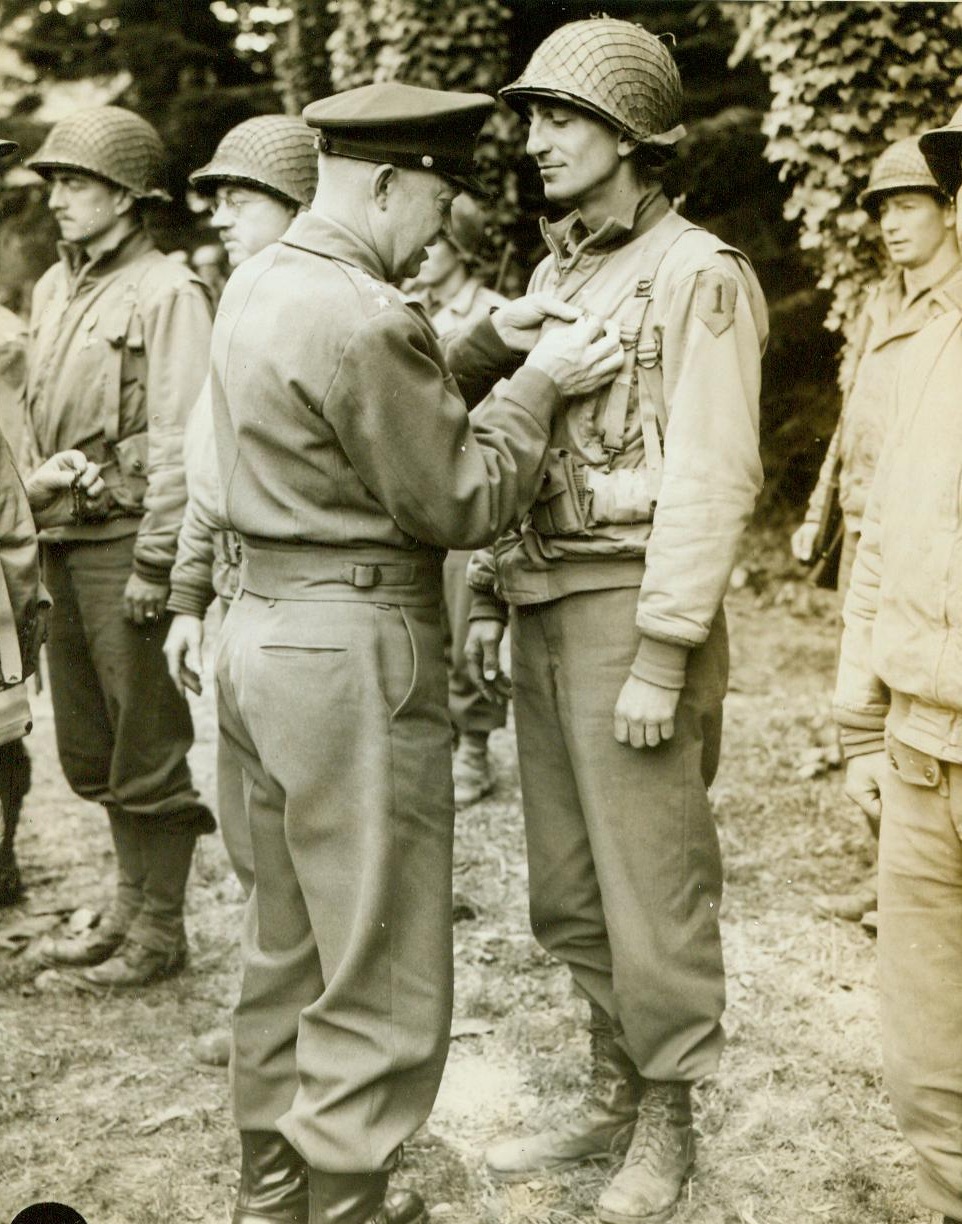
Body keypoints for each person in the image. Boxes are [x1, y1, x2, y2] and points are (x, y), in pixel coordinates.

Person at [211, 80, 623, 1224]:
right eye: (432, 206)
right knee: (377, 949)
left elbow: (353, 405)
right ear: (386, 181)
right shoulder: (364, 314)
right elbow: (460, 493)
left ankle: (273, 1189)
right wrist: (537, 386)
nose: (436, 234)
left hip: (262, 630)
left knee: (286, 932)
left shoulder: (262, 280)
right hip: (350, 648)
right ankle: (343, 1198)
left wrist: (486, 342)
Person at [464, 19, 768, 1222]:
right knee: (568, 885)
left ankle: (667, 1116)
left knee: (652, 885)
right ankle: (608, 1085)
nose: (535, 140)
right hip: (543, 603)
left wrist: (660, 652)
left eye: (560, 118)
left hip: (627, 615)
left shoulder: (697, 272)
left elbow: (711, 476)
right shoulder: (557, 273)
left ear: (634, 136)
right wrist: (494, 590)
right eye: (531, 118)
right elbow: (523, 443)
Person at [22, 106, 216, 988]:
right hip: (60, 540)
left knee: (146, 745)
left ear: (130, 198)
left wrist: (159, 566)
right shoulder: (53, 289)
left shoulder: (168, 290)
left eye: (76, 183)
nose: (57, 198)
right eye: (53, 182)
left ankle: (159, 931)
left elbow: (184, 435)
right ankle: (127, 907)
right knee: (93, 747)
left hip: (127, 545)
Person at [163, 113, 318, 1069]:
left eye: (240, 195)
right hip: (242, 605)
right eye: (215, 194)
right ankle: (275, 1016)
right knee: (257, 839)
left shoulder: (334, 309)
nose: (220, 213)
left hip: (312, 612)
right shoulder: (237, 303)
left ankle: (314, 1027)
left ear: (299, 204)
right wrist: (188, 596)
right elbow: (205, 468)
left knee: (317, 840)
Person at [833, 101, 962, 1224]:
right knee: (924, 1051)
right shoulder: (927, 339)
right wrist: (862, 727)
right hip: (922, 741)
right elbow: (882, 526)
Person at [791, 136, 962, 925]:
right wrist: (821, 509)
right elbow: (855, 418)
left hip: (928, 534)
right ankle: (893, 866)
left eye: (907, 206)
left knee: (917, 705)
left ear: (948, 210)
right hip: (867, 524)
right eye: (882, 210)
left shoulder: (953, 309)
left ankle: (921, 876)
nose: (892, 226)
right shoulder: (878, 303)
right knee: (866, 700)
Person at [405, 193, 512, 807]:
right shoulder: (403, 311)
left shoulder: (495, 314)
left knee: (471, 619)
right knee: (425, 631)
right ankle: (439, 741)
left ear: (462, 248)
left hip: (470, 488)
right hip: (418, 496)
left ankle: (475, 746)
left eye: (439, 240)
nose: (427, 252)